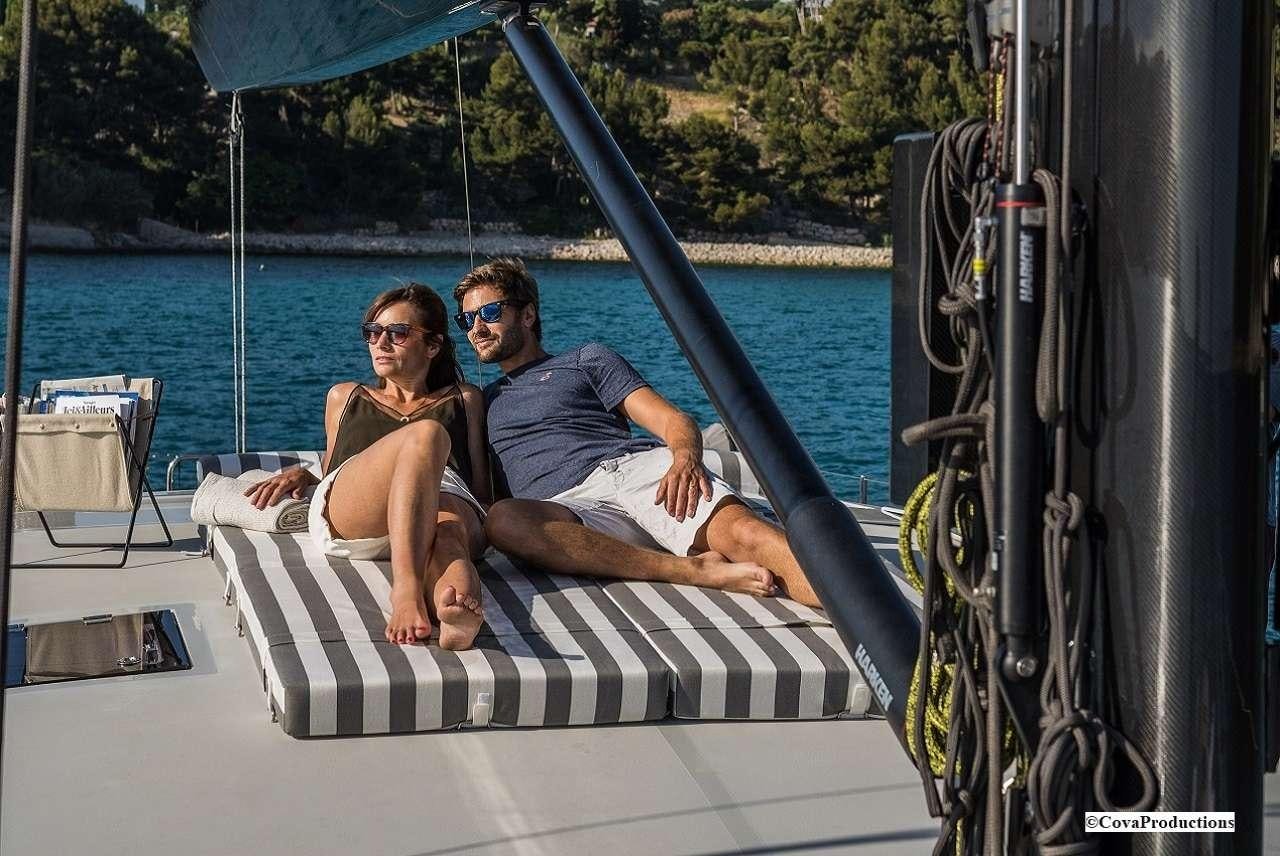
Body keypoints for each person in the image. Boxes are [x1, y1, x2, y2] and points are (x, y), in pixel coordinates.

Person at [452, 257, 821, 607]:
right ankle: (689, 570)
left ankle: (856, 606)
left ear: (528, 314)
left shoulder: (585, 360)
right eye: (466, 320)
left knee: (746, 535)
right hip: (571, 511)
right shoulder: (480, 402)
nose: (477, 329)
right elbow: (483, 494)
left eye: (490, 313)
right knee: (505, 520)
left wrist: (685, 459)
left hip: (635, 474)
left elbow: (672, 420)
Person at [244, 283, 491, 650]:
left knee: (450, 533)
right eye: (373, 332)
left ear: (433, 345)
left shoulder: (464, 398)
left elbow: (480, 487)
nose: (380, 342)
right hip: (361, 511)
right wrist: (304, 475)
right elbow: (332, 471)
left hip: (443, 495)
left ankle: (455, 611)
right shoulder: (346, 396)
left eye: (397, 332)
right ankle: (405, 590)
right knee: (427, 435)